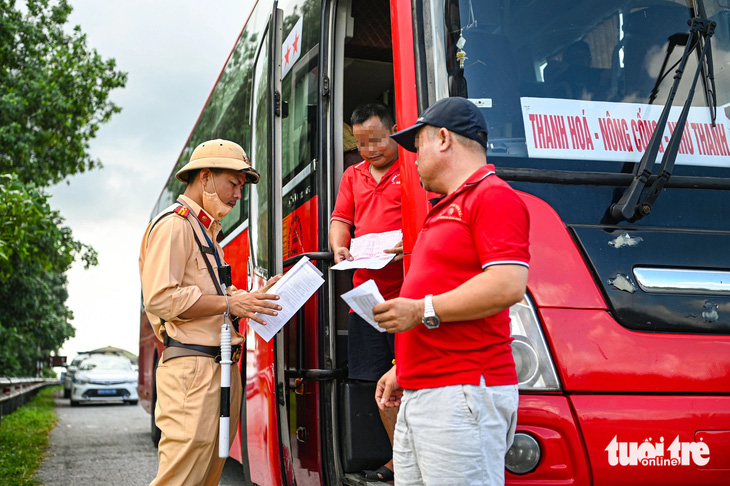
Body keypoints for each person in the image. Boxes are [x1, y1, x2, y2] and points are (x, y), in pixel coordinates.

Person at [373, 97, 530, 485]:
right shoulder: (447, 206)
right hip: (427, 391)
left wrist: (420, 310)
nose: (412, 158)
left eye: (418, 146)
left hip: (460, 394)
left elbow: (507, 283)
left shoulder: (491, 195)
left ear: (443, 139)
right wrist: (404, 371)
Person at [139, 139, 282, 486]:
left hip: (215, 370)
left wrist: (250, 298)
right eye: (233, 184)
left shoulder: (204, 230)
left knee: (205, 477)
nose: (237, 195)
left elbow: (215, 294)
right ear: (204, 178)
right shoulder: (175, 224)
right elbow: (160, 297)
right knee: (182, 477)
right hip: (193, 371)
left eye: (241, 187)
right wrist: (232, 303)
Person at [330, 102, 403, 481]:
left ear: (395, 129)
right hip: (367, 300)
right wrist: (339, 245)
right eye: (361, 144)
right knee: (376, 383)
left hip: (407, 296)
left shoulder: (412, 167)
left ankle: (417, 456)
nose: (370, 150)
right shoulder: (352, 175)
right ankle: (399, 457)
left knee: (412, 380)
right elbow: (341, 219)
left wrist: (410, 245)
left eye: (377, 140)